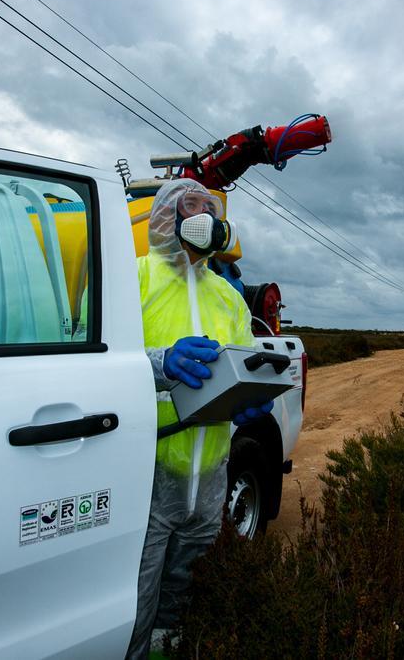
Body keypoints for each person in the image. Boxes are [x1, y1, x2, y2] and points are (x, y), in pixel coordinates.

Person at [127, 178, 273, 659]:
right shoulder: (134, 279)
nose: (204, 216)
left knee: (186, 595)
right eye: (192, 207)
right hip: (145, 475)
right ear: (166, 217)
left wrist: (252, 397)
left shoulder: (227, 296)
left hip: (209, 476)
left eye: (210, 208)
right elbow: (98, 362)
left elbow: (245, 358)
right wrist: (159, 362)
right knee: (135, 598)